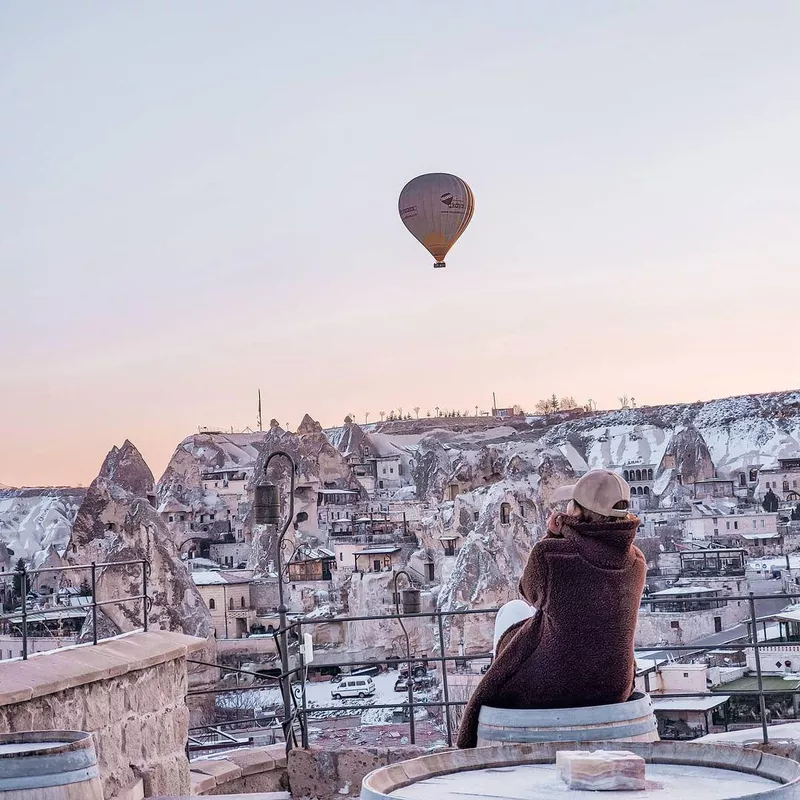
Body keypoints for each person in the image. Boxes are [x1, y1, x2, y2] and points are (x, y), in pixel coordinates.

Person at [457, 469, 647, 748]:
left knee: (512, 612)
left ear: (579, 511)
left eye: (571, 503)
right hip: (615, 686)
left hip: (554, 685)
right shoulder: (636, 562)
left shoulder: (552, 555)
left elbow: (528, 592)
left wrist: (553, 535)